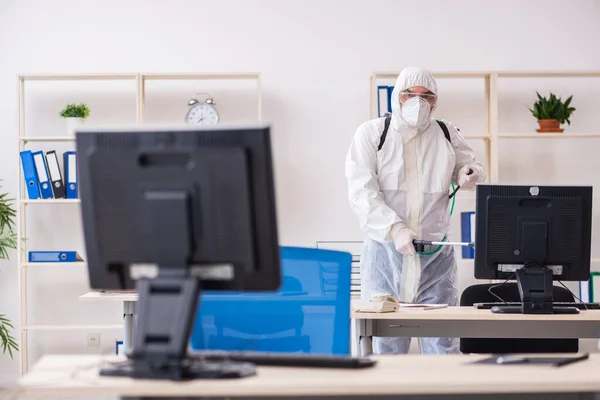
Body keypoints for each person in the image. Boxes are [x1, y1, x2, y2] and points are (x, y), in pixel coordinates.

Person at [345, 66, 485, 355]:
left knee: (443, 346)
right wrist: (395, 229)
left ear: (435, 101)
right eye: (410, 94)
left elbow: (468, 164)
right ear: (398, 97)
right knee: (384, 348)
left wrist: (469, 173)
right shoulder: (372, 134)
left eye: (426, 96)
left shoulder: (445, 133)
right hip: (386, 257)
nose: (418, 102)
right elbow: (361, 192)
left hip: (435, 259)